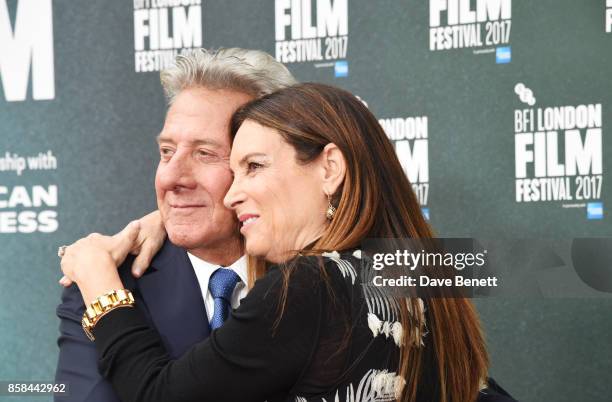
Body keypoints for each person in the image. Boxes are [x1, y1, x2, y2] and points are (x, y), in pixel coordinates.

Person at [60, 83, 516, 402]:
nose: (234, 191)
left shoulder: (308, 284)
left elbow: (160, 394)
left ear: (330, 168)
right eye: (234, 172)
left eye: (254, 166)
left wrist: (100, 284)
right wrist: (168, 218)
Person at [54, 48, 297, 401]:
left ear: (262, 164)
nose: (170, 177)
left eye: (205, 154)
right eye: (167, 152)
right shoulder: (103, 283)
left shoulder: (323, 275)